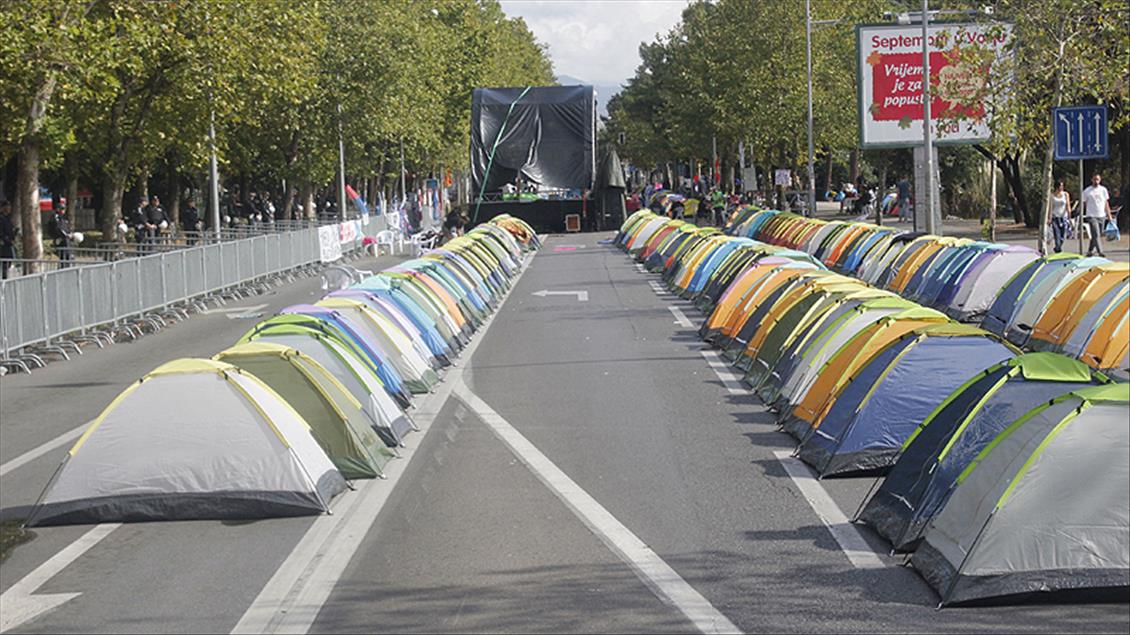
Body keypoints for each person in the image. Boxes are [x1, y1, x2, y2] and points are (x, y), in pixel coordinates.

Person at [1081, 173, 1114, 257]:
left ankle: (1090, 251)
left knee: (1097, 234)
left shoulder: (1103, 190)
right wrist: (1084, 213)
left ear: (1100, 180)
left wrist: (1109, 215)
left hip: (1101, 215)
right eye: (1094, 179)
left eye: (1097, 179)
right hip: (1091, 215)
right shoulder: (1087, 191)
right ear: (1092, 180)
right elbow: (1084, 203)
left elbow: (1106, 203)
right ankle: (1100, 252)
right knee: (1096, 233)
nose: (1096, 181)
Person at [1047, 181, 1070, 253]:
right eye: (1060, 186)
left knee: (1063, 235)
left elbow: (1067, 205)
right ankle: (1058, 250)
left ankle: (1057, 247)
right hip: (1055, 217)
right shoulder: (1052, 196)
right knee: (1057, 235)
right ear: (1057, 187)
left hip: (1064, 217)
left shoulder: (1065, 194)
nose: (1061, 188)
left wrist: (1069, 214)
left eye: (1062, 186)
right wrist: (1049, 218)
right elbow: (1050, 207)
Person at [49, 203, 74, 268]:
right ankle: (63, 270)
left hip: (65, 240)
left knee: (68, 256)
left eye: (64, 209)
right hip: (60, 240)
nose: (64, 210)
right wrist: (65, 235)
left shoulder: (62, 218)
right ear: (58, 209)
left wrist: (70, 233)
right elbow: (58, 228)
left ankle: (68, 268)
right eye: (62, 209)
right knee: (63, 256)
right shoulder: (55, 217)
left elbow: (66, 228)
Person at [0, 200, 18, 279]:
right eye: (7, 206)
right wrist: (6, 240)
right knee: (5, 264)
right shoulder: (1, 219)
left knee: (8, 263)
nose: (9, 208)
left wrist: (14, 233)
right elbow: (1, 233)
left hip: (9, 244)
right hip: (4, 245)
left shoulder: (8, 219)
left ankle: (5, 278)